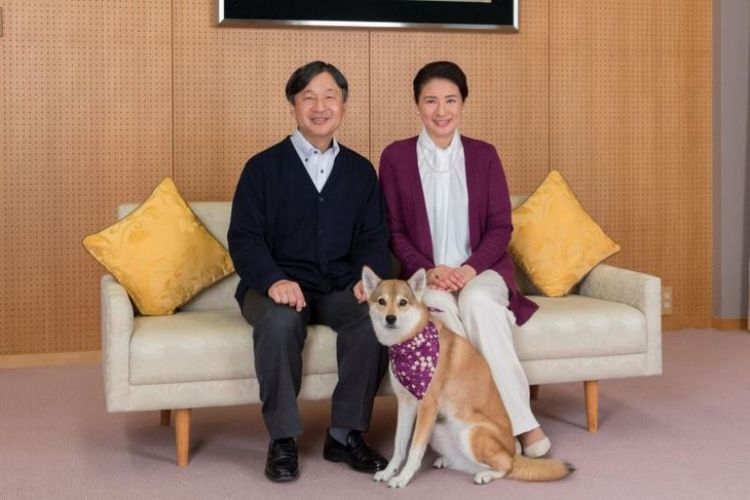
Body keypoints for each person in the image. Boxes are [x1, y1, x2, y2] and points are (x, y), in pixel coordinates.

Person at [378, 61, 551, 458]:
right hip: (426, 278)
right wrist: (428, 270)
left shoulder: (484, 155)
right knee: (438, 312)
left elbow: (500, 228)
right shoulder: (396, 157)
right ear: (417, 105)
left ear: (463, 104)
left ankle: (521, 425)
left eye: (451, 100)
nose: (441, 111)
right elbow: (393, 230)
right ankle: (474, 421)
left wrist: (469, 269)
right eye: (431, 101)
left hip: (481, 270)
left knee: (476, 303)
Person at [228, 61, 390, 482]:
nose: (320, 107)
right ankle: (282, 439)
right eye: (308, 98)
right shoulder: (262, 168)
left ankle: (345, 434)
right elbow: (244, 238)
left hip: (338, 286)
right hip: (274, 286)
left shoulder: (360, 171)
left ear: (344, 106)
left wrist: (364, 278)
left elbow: (374, 236)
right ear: (293, 105)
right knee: (280, 323)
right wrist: (274, 280)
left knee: (373, 321)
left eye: (329, 97)